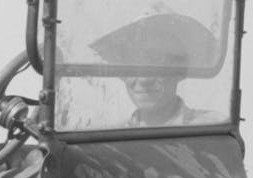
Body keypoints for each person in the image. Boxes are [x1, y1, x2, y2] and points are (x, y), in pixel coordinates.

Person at [89, 10, 226, 127]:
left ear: (180, 70)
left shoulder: (211, 128)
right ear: (122, 75)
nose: (144, 79)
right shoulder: (110, 139)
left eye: (156, 62)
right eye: (132, 64)